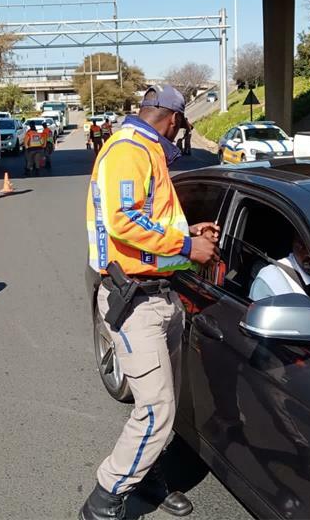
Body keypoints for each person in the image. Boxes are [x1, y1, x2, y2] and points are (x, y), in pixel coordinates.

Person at [80, 85, 220, 520]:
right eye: (183, 124)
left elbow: (149, 217)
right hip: (134, 298)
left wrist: (189, 231)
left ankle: (146, 482)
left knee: (161, 403)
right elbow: (123, 221)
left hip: (160, 293)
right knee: (158, 407)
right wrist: (186, 246)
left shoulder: (146, 150)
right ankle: (104, 500)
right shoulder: (129, 149)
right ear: (173, 119)